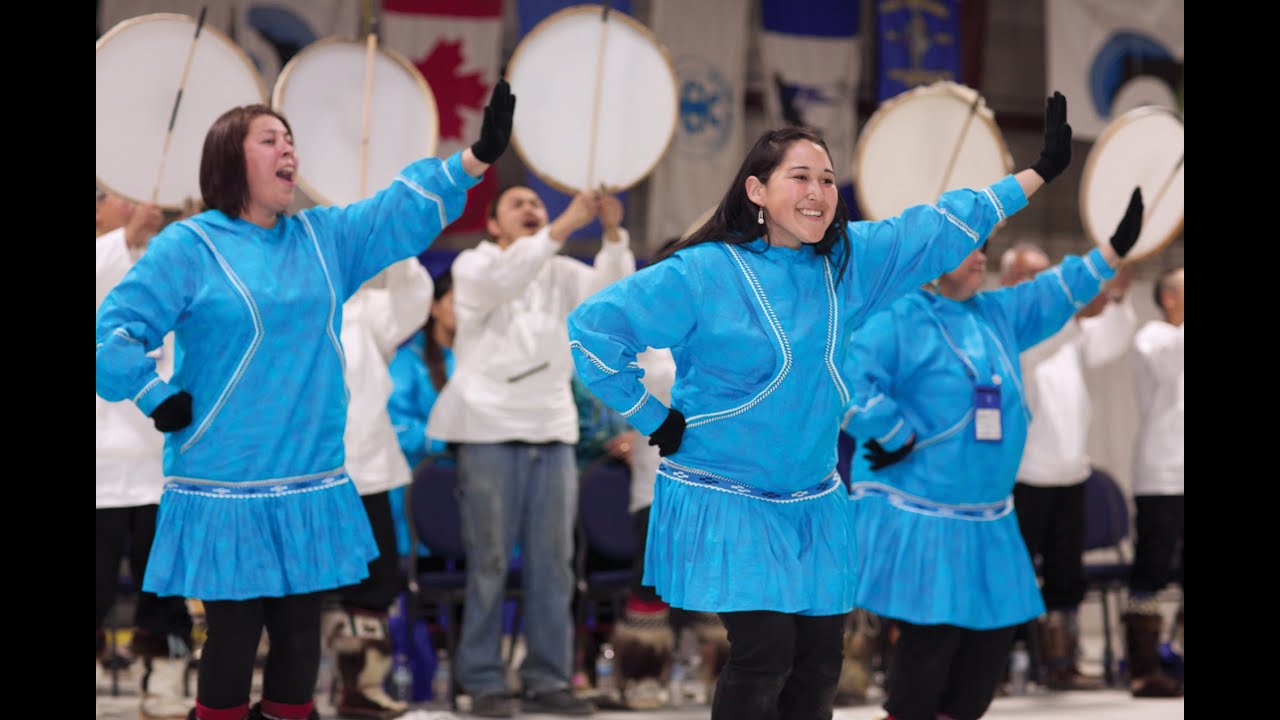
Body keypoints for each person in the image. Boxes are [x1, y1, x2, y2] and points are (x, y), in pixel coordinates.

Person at [564, 90, 1074, 720]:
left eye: (828, 179)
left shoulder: (848, 265)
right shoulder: (703, 271)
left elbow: (937, 225)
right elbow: (592, 331)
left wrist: (1037, 173)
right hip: (726, 493)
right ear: (756, 190)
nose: (818, 191)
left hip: (813, 498)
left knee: (820, 665)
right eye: (800, 176)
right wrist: (652, 416)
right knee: (765, 655)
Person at [95, 79, 515, 720]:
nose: (288, 149)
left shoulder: (323, 238)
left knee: (298, 640)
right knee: (234, 635)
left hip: (308, 472)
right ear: (231, 157)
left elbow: (395, 209)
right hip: (224, 474)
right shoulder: (189, 245)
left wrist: (473, 159)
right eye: (270, 139)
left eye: (290, 139)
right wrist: (154, 394)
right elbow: (112, 333)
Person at [840, 186, 1146, 720]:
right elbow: (848, 378)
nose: (980, 256)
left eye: (983, 246)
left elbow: (1054, 291)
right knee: (927, 656)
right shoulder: (898, 316)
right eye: (967, 248)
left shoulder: (997, 313)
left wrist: (1109, 252)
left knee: (985, 660)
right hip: (922, 511)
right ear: (934, 258)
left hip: (990, 517)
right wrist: (891, 431)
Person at [425, 184, 636, 717]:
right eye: (516, 204)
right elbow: (507, 276)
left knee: (554, 565)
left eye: (536, 203)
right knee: (490, 562)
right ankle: (482, 680)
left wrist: (612, 236)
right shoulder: (475, 265)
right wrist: (562, 225)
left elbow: (613, 298)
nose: (531, 209)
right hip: (487, 427)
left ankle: (548, 677)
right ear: (493, 224)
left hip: (552, 427)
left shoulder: (561, 271)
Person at [1000, 243, 1138, 691]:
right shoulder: (1006, 322)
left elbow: (1111, 341)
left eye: (1046, 273)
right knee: (1013, 573)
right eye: (1031, 274)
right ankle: (1003, 662)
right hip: (1023, 475)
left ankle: (1061, 660)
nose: (1040, 282)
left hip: (1070, 471)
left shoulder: (1069, 329)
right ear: (1010, 279)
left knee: (1065, 574)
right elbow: (1039, 347)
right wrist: (1076, 307)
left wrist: (1116, 298)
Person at [96, 188, 196, 720]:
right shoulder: (105, 258)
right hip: (101, 468)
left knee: (165, 583)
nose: (137, 207)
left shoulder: (166, 263)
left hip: (160, 462)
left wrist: (198, 231)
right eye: (122, 198)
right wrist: (126, 238)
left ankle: (165, 680)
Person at [322, 257, 436, 719]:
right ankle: (288, 693)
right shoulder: (290, 306)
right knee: (299, 587)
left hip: (366, 467)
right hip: (302, 468)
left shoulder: (366, 308)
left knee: (375, 583)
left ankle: (362, 686)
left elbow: (416, 298)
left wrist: (401, 248)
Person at [1121, 265, 1184, 699]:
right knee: (1152, 568)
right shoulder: (1152, 338)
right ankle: (1144, 669)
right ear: (1168, 297)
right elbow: (1172, 359)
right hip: (1161, 474)